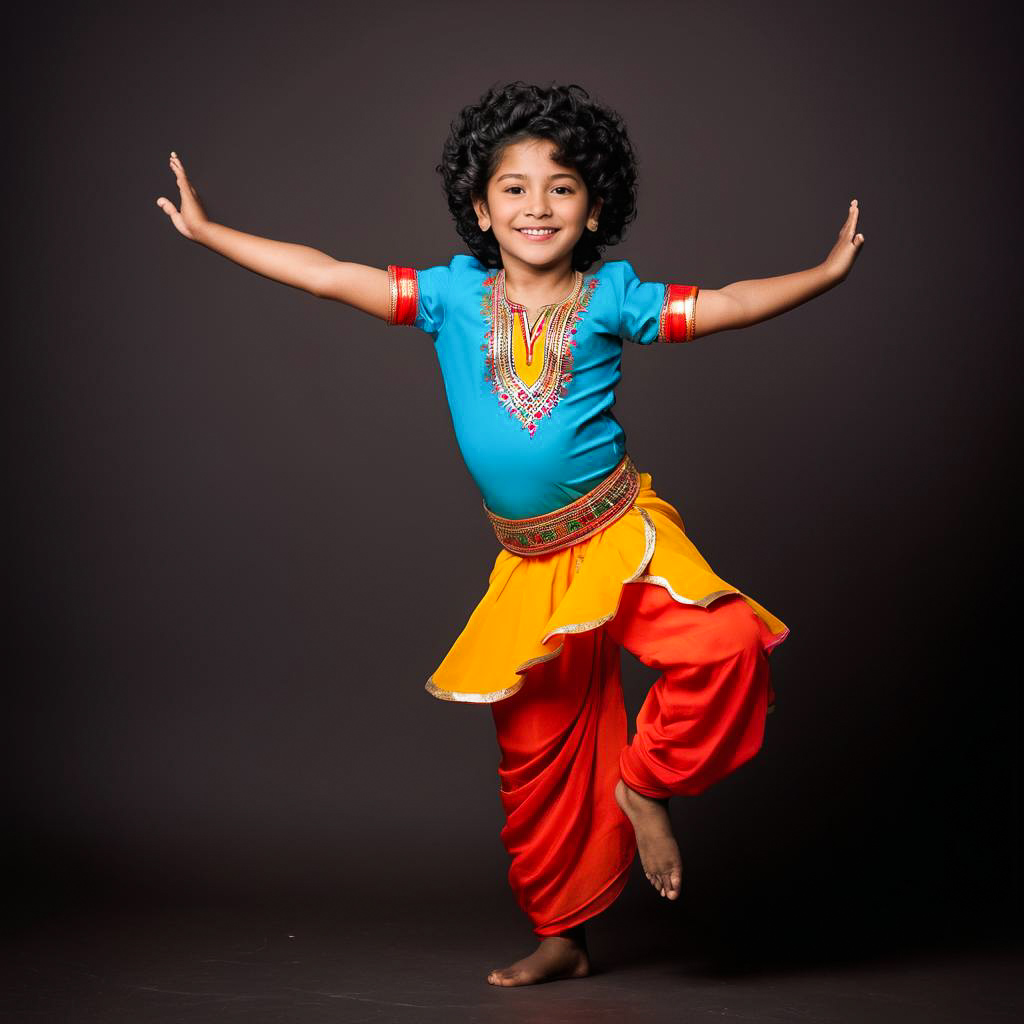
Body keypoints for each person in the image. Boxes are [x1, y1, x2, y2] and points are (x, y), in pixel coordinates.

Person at [156, 80, 864, 988]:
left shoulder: (613, 296)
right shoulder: (452, 296)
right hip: (530, 564)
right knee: (535, 759)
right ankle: (563, 936)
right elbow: (330, 273)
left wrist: (824, 274)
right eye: (516, 188)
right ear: (482, 209)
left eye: (561, 187)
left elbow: (726, 302)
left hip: (619, 537)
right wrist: (213, 234)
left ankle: (644, 787)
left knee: (726, 643)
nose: (538, 205)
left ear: (594, 206)